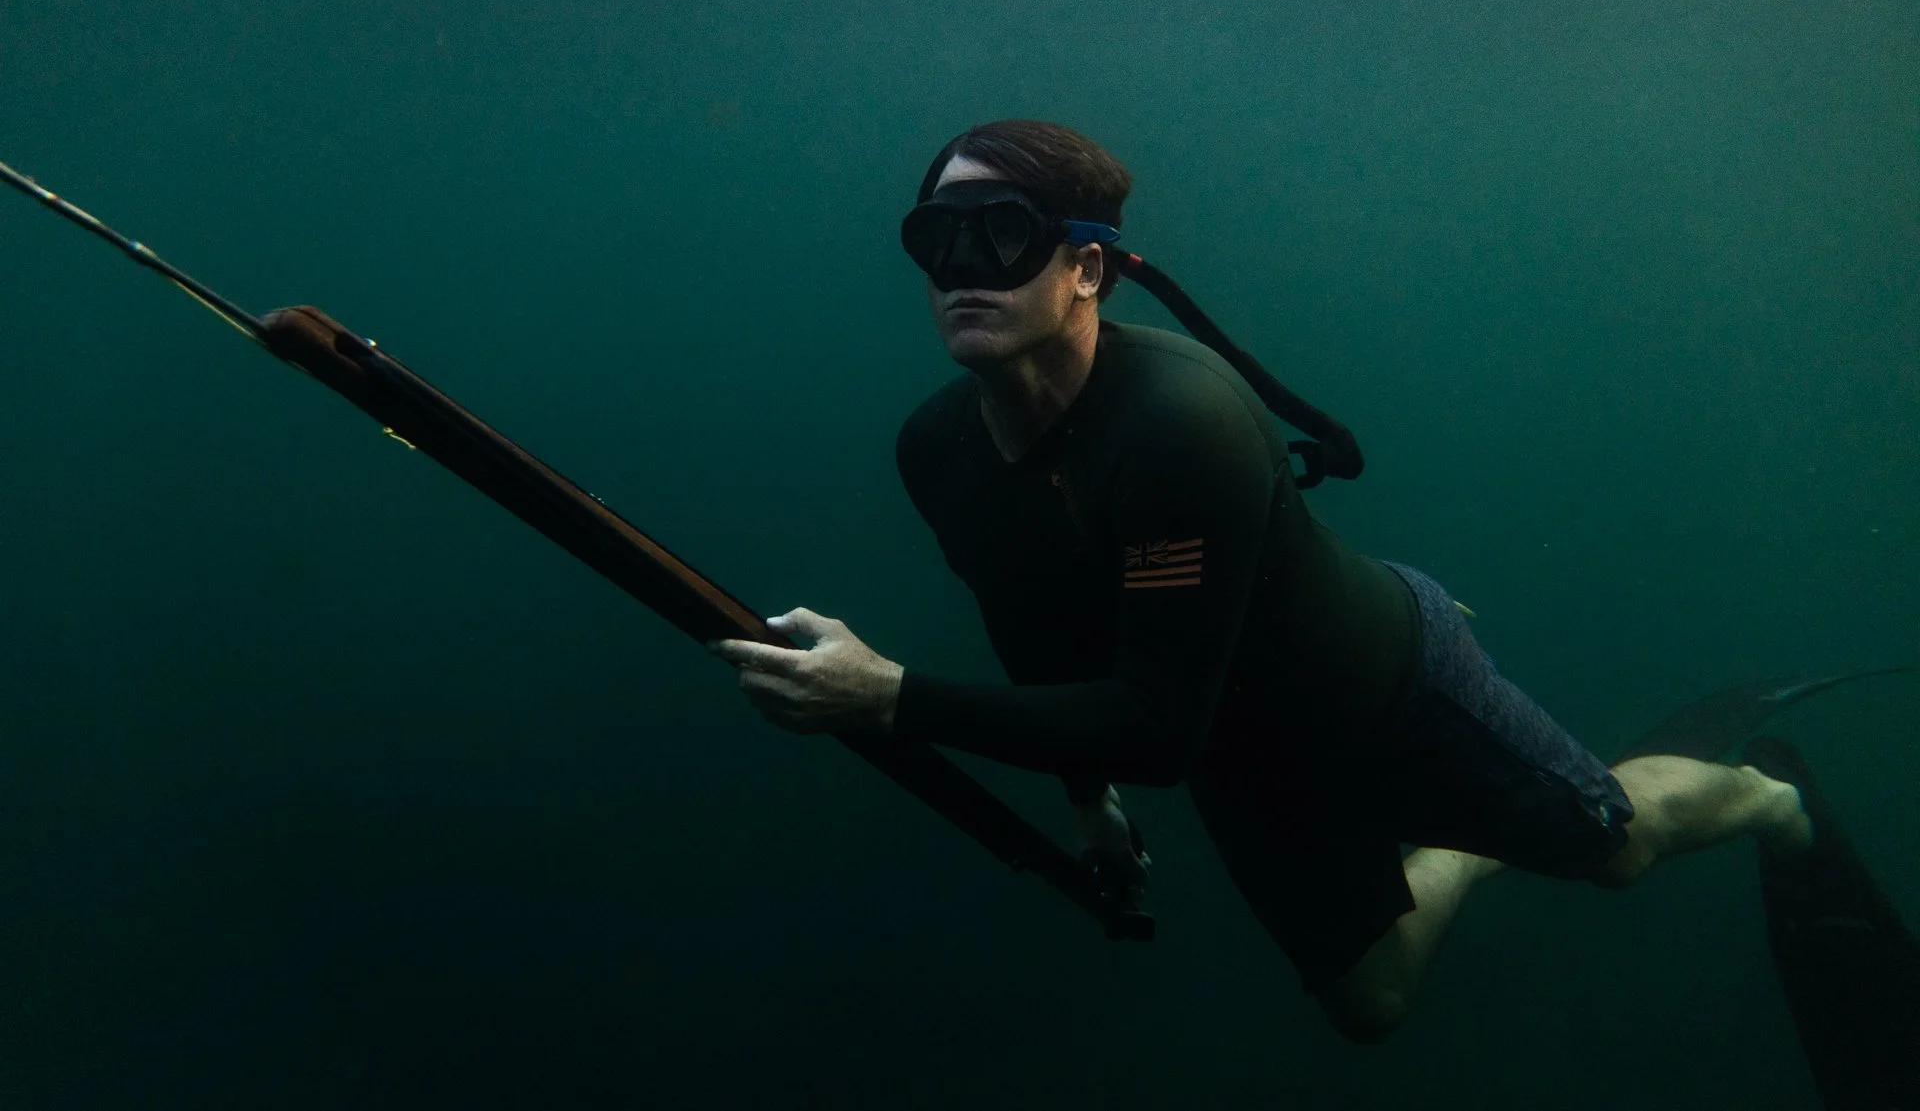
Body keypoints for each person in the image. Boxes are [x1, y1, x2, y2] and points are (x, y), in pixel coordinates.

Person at [711, 119, 1812, 1042]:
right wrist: (1087, 804)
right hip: (1241, 749)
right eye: (935, 239)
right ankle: (1463, 858)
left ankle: (1766, 795)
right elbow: (1032, 628)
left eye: (1001, 235)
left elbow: (1154, 730)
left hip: (1386, 692)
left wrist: (891, 698)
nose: (960, 270)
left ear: (1087, 267)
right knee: (1371, 1009)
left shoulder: (1180, 422)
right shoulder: (935, 448)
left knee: (1618, 855)